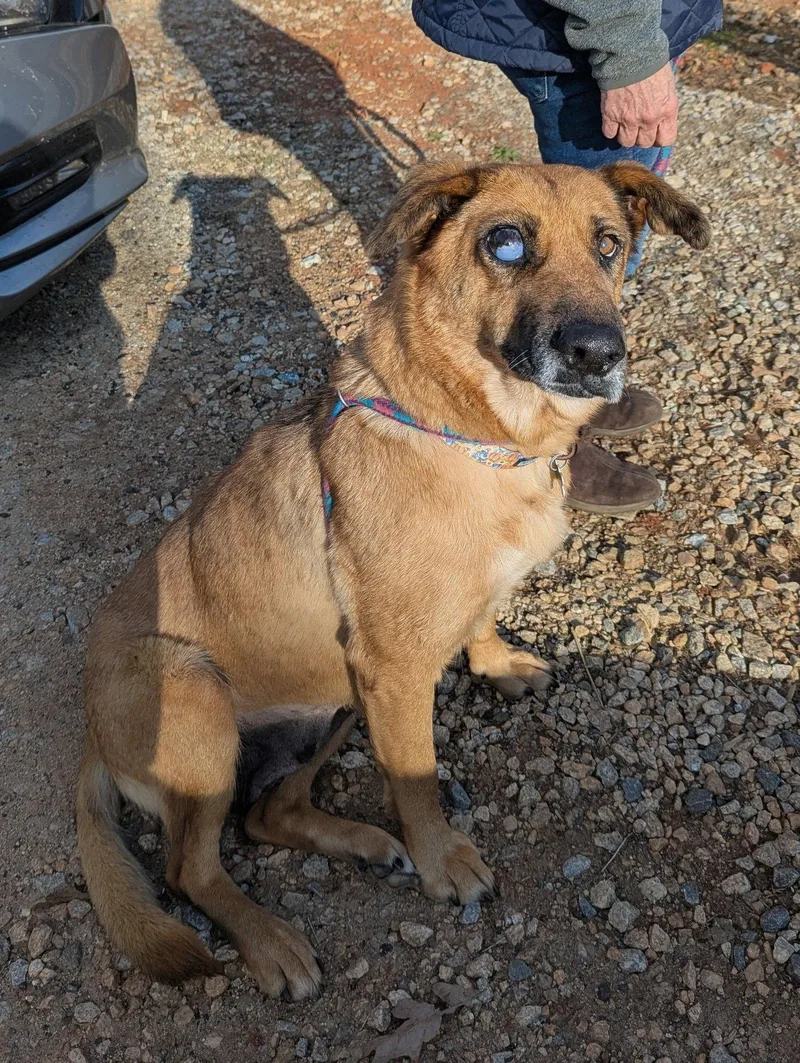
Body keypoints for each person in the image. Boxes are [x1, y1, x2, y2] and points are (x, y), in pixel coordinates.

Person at [412, 0, 722, 514]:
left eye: (606, 247)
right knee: (570, 311)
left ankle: (578, 392)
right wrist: (629, 48)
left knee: (586, 254)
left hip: (634, 21)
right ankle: (555, 442)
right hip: (593, 30)